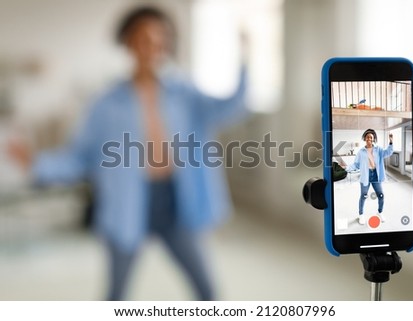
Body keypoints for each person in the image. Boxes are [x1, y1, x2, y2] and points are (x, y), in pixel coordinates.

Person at [8, 5, 248, 300]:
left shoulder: (185, 93)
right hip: (126, 205)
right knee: (116, 296)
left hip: (175, 202)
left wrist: (245, 60)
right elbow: (80, 156)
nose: (153, 47)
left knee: (208, 292)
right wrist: (37, 164)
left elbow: (230, 107)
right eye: (144, 38)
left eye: (160, 39)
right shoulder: (105, 104)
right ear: (128, 42)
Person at [343, 129, 393, 225]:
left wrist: (390, 142)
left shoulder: (379, 150)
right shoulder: (361, 152)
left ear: (373, 139)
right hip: (366, 175)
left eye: (371, 137)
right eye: (367, 137)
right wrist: (346, 168)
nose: (369, 138)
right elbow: (356, 165)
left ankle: (380, 212)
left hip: (376, 175)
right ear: (365, 138)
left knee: (381, 195)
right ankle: (361, 214)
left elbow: (388, 152)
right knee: (364, 196)